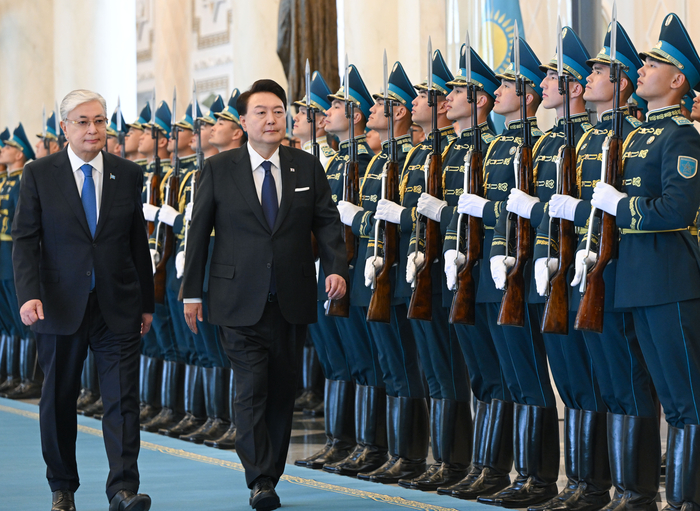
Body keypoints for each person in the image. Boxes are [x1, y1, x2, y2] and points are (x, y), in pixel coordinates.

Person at [182, 79, 347, 511]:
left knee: (280, 391)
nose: (271, 119)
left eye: (277, 111)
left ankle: (270, 474)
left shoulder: (306, 166)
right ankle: (259, 480)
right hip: (237, 298)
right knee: (251, 388)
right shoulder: (219, 168)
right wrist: (190, 294)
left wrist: (335, 270)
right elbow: (198, 234)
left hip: (291, 297)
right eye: (261, 112)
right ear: (244, 121)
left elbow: (327, 223)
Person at [12, 89, 154, 511]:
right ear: (65, 128)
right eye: (82, 122)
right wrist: (28, 295)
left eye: (99, 121)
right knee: (58, 399)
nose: (93, 130)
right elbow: (24, 240)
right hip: (58, 304)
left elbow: (136, 244)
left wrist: (147, 302)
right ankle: (63, 488)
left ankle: (123, 490)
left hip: (118, 305)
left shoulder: (127, 173)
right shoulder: (39, 173)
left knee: (123, 399)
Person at [546, 22, 658, 511]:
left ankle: (632, 490)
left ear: (623, 82)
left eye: (598, 71)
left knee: (625, 381)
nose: (589, 78)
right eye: (587, 70)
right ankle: (590, 484)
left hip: (615, 274)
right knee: (592, 383)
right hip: (576, 272)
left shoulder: (630, 135)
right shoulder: (585, 137)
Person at [591, 13, 700, 510]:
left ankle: (684, 499)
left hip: (668, 279)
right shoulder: (634, 135)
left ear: (677, 80)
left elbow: (678, 208)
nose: (642, 68)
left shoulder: (681, 136)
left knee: (685, 400)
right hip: (634, 280)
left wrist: (622, 208)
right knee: (656, 394)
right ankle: (644, 497)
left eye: (654, 63)